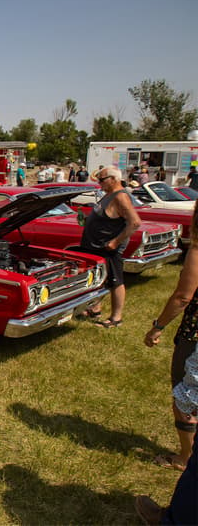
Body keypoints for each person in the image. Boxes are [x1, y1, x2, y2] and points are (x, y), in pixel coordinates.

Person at [136, 200, 198, 524]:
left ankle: (184, 456)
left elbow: (183, 296)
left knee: (185, 397)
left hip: (197, 338)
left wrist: (157, 327)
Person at [80, 166, 141, 327]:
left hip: (109, 249)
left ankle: (116, 318)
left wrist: (115, 242)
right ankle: (95, 308)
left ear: (114, 179)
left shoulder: (121, 197)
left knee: (116, 281)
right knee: (101, 278)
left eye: (102, 179)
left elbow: (134, 222)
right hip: (96, 246)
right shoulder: (109, 195)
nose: (99, 183)